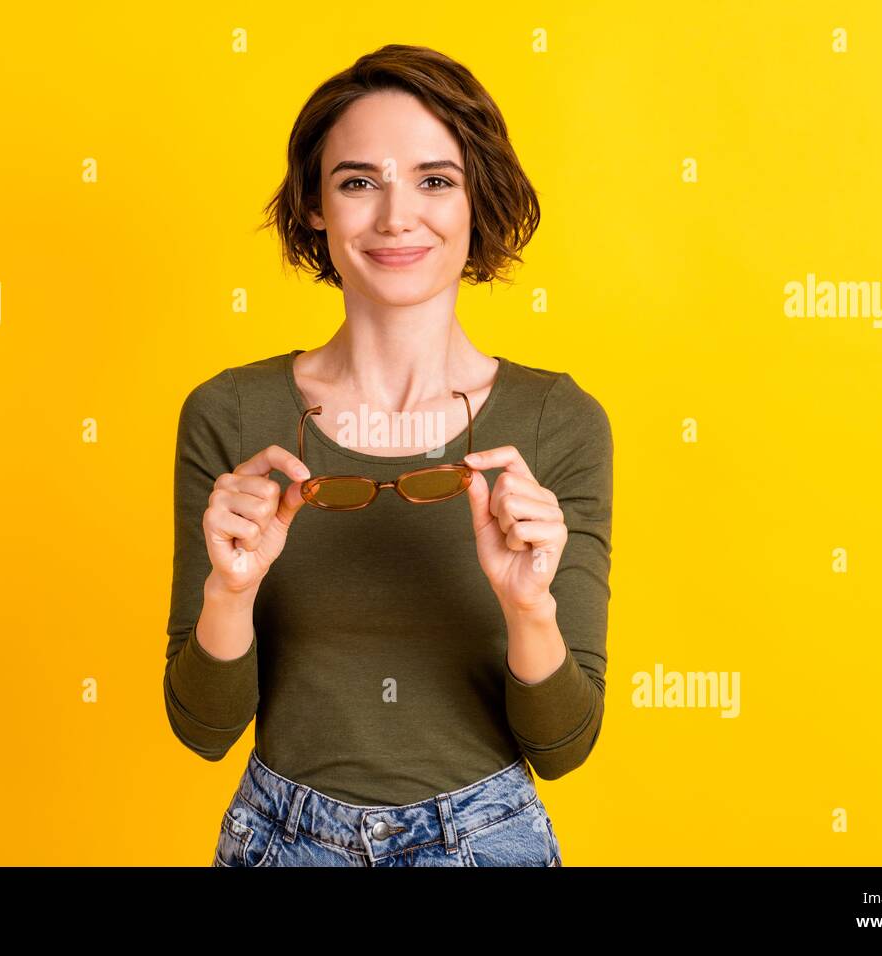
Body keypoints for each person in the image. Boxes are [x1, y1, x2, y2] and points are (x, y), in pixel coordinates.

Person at [163, 44, 613, 866]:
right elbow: (203, 728)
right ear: (313, 208)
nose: (397, 216)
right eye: (359, 181)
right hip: (280, 842)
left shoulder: (559, 422)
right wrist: (231, 591)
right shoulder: (230, 415)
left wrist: (528, 606)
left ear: (479, 200)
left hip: (490, 840)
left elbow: (563, 746)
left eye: (436, 180)